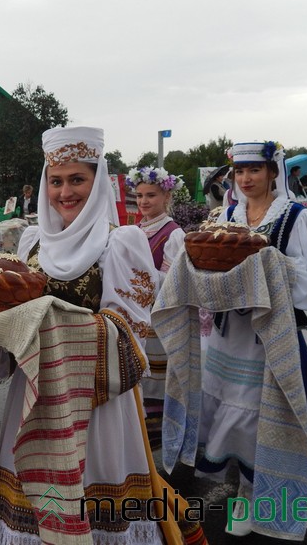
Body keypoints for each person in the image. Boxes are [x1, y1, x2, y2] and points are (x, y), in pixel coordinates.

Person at [0, 127, 206, 544]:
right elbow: (8, 343)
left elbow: (130, 339)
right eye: (56, 180)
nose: (65, 192)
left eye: (77, 179)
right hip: (32, 399)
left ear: (97, 182)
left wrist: (48, 322)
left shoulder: (121, 243)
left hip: (96, 409)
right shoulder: (31, 243)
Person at [154, 141, 307, 539]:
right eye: (239, 172)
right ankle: (243, 489)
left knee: (262, 417)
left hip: (267, 337)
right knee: (228, 418)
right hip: (226, 337)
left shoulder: (294, 218)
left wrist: (266, 265)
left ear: (273, 171)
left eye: (254, 170)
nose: (246, 179)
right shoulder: (225, 215)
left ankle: (261, 495)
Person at [126, 166, 185, 451]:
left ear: (166, 195)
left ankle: (158, 441)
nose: (144, 201)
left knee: (155, 381)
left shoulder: (173, 235)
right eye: (139, 196)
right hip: (134, 313)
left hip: (157, 319)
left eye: (151, 195)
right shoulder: (135, 230)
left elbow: (172, 283)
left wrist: (137, 273)